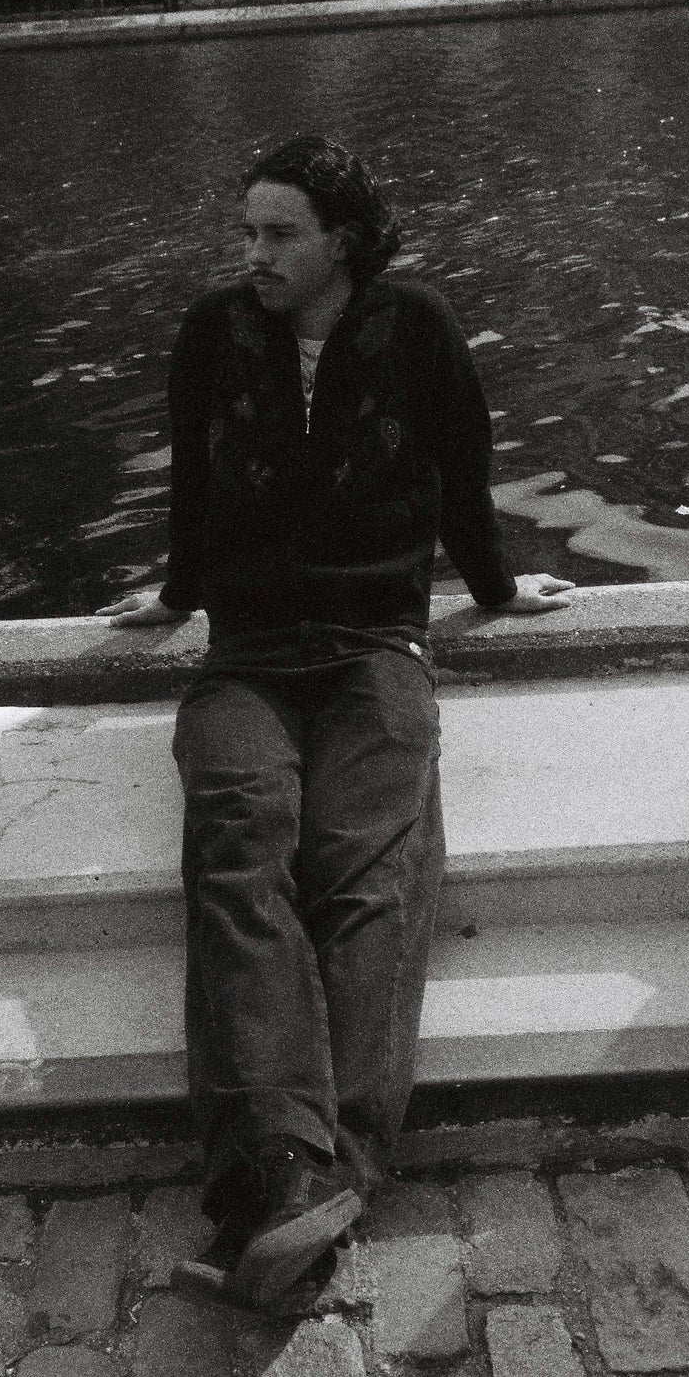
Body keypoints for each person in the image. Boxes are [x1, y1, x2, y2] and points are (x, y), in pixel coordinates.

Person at [96, 136, 574, 1309]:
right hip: (246, 656)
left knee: (364, 866)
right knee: (238, 843)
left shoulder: (416, 325)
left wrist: (497, 589)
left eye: (279, 234)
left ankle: (299, 1180)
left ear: (342, 240)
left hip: (372, 647)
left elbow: (462, 474)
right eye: (247, 232)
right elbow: (192, 486)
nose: (252, 254)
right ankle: (296, 1172)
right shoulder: (214, 331)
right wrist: (175, 596)